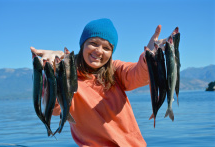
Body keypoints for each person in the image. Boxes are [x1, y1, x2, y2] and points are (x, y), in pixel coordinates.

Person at [30, 18, 162, 147]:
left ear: (111, 53)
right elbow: (55, 109)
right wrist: (52, 72)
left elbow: (140, 74)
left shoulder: (116, 71)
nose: (99, 51)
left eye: (106, 47)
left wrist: (149, 58)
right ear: (83, 45)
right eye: (93, 43)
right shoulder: (67, 77)